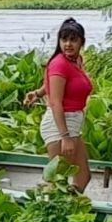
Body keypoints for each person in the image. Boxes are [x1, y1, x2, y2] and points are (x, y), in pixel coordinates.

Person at [23, 18, 93, 192]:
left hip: (73, 123)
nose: (68, 44)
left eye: (73, 40)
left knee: (83, 176)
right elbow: (55, 102)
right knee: (56, 181)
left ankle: (69, 210)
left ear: (81, 42)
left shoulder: (75, 61)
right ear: (59, 41)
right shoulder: (59, 63)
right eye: (64, 40)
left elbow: (56, 85)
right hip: (59, 125)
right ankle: (45, 211)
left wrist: (38, 93)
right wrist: (66, 137)